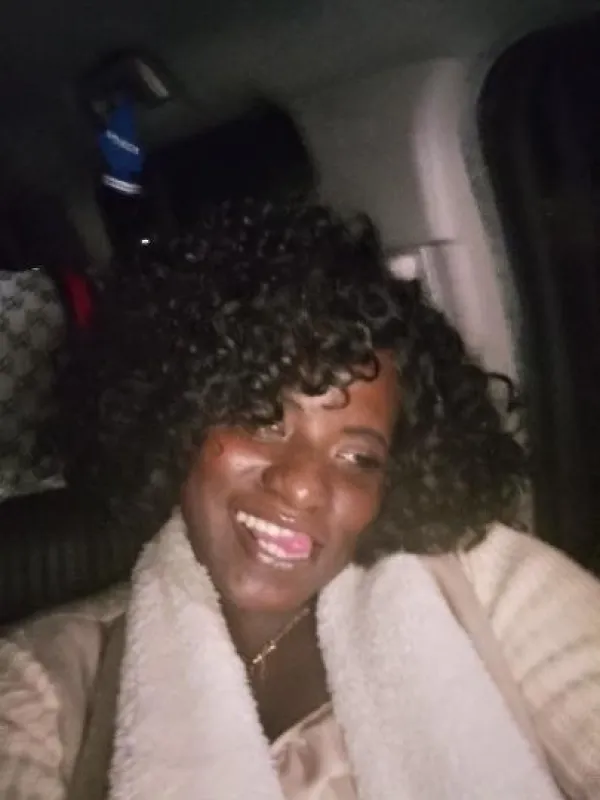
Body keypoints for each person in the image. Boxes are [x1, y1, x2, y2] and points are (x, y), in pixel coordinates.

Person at [0, 199, 598, 800]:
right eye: (263, 419)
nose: (305, 484)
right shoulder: (43, 682)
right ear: (175, 421)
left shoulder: (491, 587)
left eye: (358, 458)